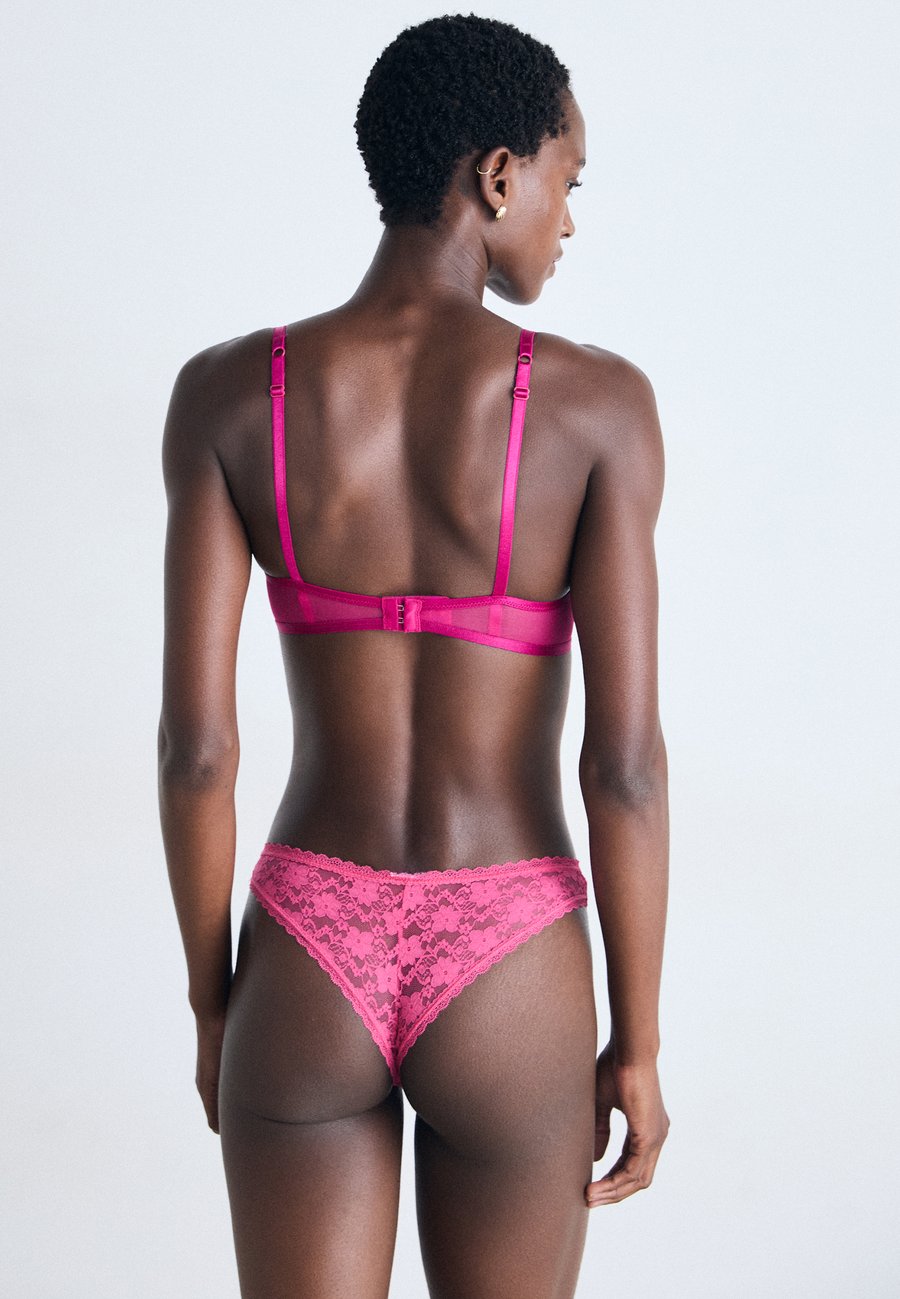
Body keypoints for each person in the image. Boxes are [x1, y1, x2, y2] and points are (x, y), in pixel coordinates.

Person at [158, 13, 669, 1298]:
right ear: (498, 175)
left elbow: (198, 751)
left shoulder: (227, 394)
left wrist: (215, 1002)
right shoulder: (599, 408)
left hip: (307, 941)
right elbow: (624, 770)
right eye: (566, 179)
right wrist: (639, 1041)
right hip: (511, 946)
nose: (569, 219)